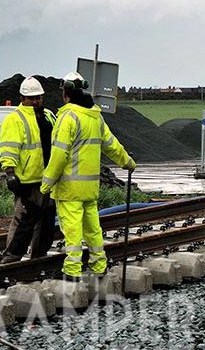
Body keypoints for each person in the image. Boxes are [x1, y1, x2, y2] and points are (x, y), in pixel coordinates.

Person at [40, 72, 135, 280]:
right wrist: (127, 162)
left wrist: (46, 183)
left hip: (68, 189)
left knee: (72, 231)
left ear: (66, 93)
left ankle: (72, 271)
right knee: (93, 228)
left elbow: (59, 155)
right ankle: (99, 265)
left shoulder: (67, 117)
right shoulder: (96, 117)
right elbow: (111, 145)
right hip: (90, 188)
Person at [0, 76, 57, 263]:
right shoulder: (15, 119)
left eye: (38, 97)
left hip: (48, 179)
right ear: (23, 98)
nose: (36, 101)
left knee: (46, 221)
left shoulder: (48, 115)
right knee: (24, 221)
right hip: (28, 180)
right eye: (32, 98)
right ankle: (12, 257)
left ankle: (39, 256)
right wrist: (9, 172)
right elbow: (9, 147)